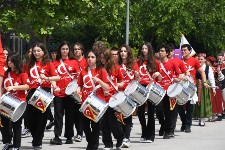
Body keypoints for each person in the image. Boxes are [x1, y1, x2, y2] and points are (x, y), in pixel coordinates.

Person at [26, 42, 60, 149]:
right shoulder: (28, 64)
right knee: (28, 119)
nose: (36, 53)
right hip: (31, 92)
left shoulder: (48, 63)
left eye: (38, 51)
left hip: (43, 92)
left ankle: (37, 141)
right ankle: (35, 136)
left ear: (43, 52)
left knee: (41, 118)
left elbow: (57, 77)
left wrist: (48, 80)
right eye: (34, 51)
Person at [76, 49, 109, 150]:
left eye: (92, 57)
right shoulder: (83, 71)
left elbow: (107, 87)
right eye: (89, 57)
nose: (90, 59)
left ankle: (93, 145)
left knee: (95, 125)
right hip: (85, 102)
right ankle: (91, 142)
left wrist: (99, 80)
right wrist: (78, 91)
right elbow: (80, 85)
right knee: (85, 125)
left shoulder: (101, 70)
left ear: (96, 59)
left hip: (97, 102)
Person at [50, 41, 79, 145]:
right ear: (59, 50)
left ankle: (69, 137)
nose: (65, 51)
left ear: (69, 50)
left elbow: (78, 77)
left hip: (70, 94)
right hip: (58, 93)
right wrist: (55, 86)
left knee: (70, 116)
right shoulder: (54, 63)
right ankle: (57, 136)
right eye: (63, 49)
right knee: (58, 115)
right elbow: (52, 77)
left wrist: (76, 88)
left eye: (66, 49)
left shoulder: (74, 62)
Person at [1, 52, 30, 150]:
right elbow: (2, 87)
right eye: (8, 60)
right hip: (6, 102)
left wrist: (14, 87)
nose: (9, 63)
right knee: (4, 124)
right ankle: (7, 142)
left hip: (18, 102)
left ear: (16, 62)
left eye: (11, 61)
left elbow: (27, 86)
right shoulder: (6, 73)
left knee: (16, 125)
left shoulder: (23, 73)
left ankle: (16, 145)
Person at [178, 44, 208, 133]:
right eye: (182, 50)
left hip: (191, 87)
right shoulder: (179, 61)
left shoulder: (194, 60)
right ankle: (184, 122)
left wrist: (205, 82)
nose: (183, 52)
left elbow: (202, 72)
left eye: (185, 50)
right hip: (180, 87)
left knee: (190, 107)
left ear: (190, 51)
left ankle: (188, 125)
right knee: (179, 106)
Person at [137, 42, 162, 143]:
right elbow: (136, 76)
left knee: (151, 112)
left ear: (149, 50)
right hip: (141, 87)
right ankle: (144, 131)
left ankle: (150, 136)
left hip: (151, 87)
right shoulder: (138, 62)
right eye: (142, 48)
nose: (143, 50)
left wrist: (157, 74)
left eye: (145, 49)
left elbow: (160, 79)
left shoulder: (155, 62)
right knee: (140, 112)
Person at [156, 44, 182, 139]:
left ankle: (168, 131)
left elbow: (179, 75)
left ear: (167, 53)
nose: (160, 52)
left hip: (170, 91)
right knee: (158, 110)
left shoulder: (172, 63)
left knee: (169, 111)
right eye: (159, 51)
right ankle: (163, 124)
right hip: (160, 91)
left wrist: (176, 79)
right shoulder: (157, 64)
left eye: (162, 51)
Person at [100, 48, 124, 149]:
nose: (101, 60)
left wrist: (117, 85)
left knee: (113, 121)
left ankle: (120, 137)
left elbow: (122, 82)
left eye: (103, 58)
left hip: (113, 98)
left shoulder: (116, 68)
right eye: (100, 58)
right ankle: (108, 143)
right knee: (103, 122)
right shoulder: (99, 69)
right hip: (101, 99)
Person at [117, 44, 140, 148]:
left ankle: (127, 137)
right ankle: (122, 136)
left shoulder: (134, 64)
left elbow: (137, 80)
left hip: (129, 94)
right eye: (121, 51)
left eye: (125, 51)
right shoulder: (116, 64)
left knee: (128, 116)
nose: (123, 53)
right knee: (119, 116)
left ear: (128, 53)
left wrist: (138, 77)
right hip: (119, 93)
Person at [193, 53, 216, 126]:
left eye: (202, 59)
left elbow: (211, 78)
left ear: (205, 60)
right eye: (199, 59)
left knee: (204, 102)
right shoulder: (195, 67)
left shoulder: (208, 68)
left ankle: (202, 119)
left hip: (205, 86)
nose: (200, 60)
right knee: (197, 101)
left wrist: (213, 88)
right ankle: (199, 117)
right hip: (196, 85)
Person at [73, 42, 87, 142]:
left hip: (84, 90)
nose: (76, 51)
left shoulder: (86, 62)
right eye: (74, 49)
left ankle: (81, 133)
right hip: (73, 91)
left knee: (83, 113)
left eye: (78, 49)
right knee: (75, 114)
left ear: (82, 51)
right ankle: (79, 132)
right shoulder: (71, 61)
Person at [206, 56, 224, 121]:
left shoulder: (215, 69)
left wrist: (219, 71)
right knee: (210, 100)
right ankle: (211, 115)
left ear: (210, 62)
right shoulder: (206, 68)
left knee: (216, 100)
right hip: (208, 86)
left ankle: (216, 114)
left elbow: (221, 78)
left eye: (207, 61)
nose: (206, 62)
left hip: (215, 86)